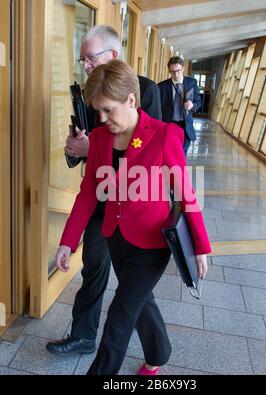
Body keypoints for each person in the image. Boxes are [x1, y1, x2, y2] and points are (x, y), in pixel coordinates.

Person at [55, 59, 211, 375]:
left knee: (120, 315)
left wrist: (201, 246)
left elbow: (185, 195)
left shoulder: (164, 135)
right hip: (116, 237)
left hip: (152, 245)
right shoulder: (99, 139)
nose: (102, 119)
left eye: (108, 110)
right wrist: (67, 242)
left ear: (131, 100)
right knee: (139, 303)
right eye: (98, 111)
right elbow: (88, 194)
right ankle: (160, 351)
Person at [46, 25, 162, 357]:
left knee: (134, 288)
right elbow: (80, 148)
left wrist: (93, 150)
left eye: (89, 57)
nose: (84, 64)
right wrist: (74, 150)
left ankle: (157, 347)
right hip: (100, 200)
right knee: (94, 265)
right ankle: (83, 335)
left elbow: (148, 156)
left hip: (134, 207)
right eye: (81, 59)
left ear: (112, 54)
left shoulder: (145, 90)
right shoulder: (86, 93)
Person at [158, 56, 201, 156]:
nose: (176, 74)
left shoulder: (192, 82)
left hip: (185, 125)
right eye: (172, 72)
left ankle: (180, 171)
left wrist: (192, 105)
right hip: (169, 124)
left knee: (182, 154)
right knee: (170, 153)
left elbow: (198, 102)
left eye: (178, 71)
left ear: (183, 69)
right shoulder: (162, 86)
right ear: (169, 71)